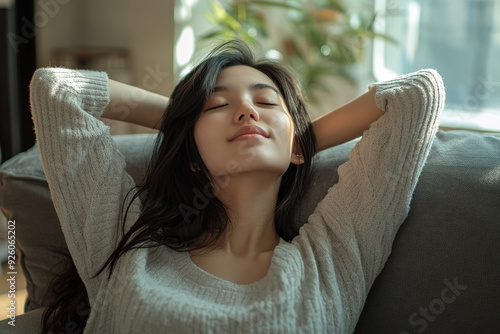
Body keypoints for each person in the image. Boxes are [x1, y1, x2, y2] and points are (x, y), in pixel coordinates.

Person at [29, 40, 445, 333]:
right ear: (191, 154)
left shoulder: (332, 257)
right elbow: (57, 91)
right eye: (218, 105)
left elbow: (417, 93)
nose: (247, 110)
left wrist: (300, 141)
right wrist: (182, 125)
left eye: (266, 103)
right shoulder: (127, 250)